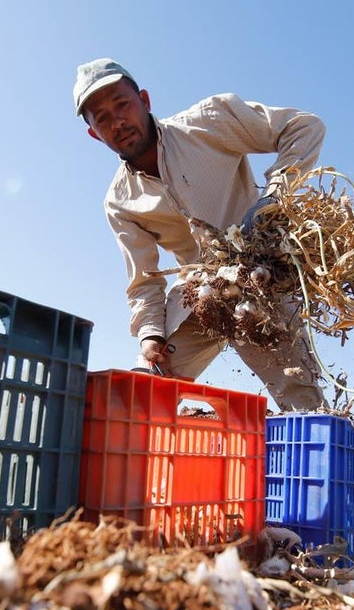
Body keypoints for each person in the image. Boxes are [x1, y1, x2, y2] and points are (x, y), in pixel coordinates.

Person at [73, 57, 327, 411]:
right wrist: (150, 335)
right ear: (94, 134)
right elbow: (144, 280)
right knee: (147, 387)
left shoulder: (209, 122)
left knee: (302, 401)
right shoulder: (120, 202)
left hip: (262, 279)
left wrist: (272, 199)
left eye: (122, 105)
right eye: (102, 119)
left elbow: (304, 127)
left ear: (144, 100)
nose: (117, 122)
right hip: (200, 295)